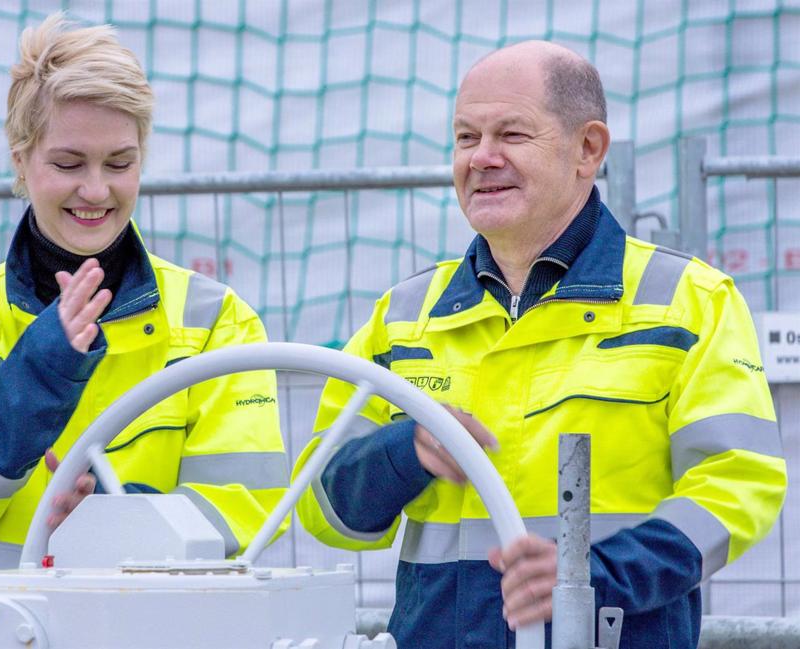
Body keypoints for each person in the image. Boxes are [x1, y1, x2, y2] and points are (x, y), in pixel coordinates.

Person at [294, 40, 786, 648]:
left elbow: (737, 484)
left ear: (588, 149)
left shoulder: (691, 301)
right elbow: (321, 510)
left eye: (512, 135)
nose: (482, 158)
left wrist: (595, 575)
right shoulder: (401, 318)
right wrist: (405, 451)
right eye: (466, 137)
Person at [0, 13, 288, 648]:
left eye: (119, 162)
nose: (96, 189)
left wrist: (114, 517)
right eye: (69, 162)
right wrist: (38, 371)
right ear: (21, 160)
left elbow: (250, 508)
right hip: (1, 631)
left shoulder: (217, 318)